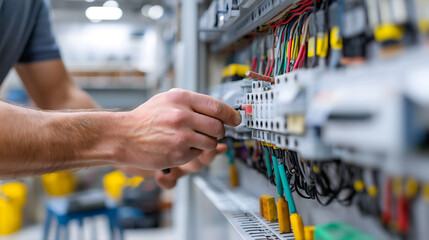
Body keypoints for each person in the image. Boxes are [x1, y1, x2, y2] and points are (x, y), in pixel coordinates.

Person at [0, 0, 241, 188]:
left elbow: (61, 97)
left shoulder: (29, 5)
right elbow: (117, 135)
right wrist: (125, 134)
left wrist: (154, 154)